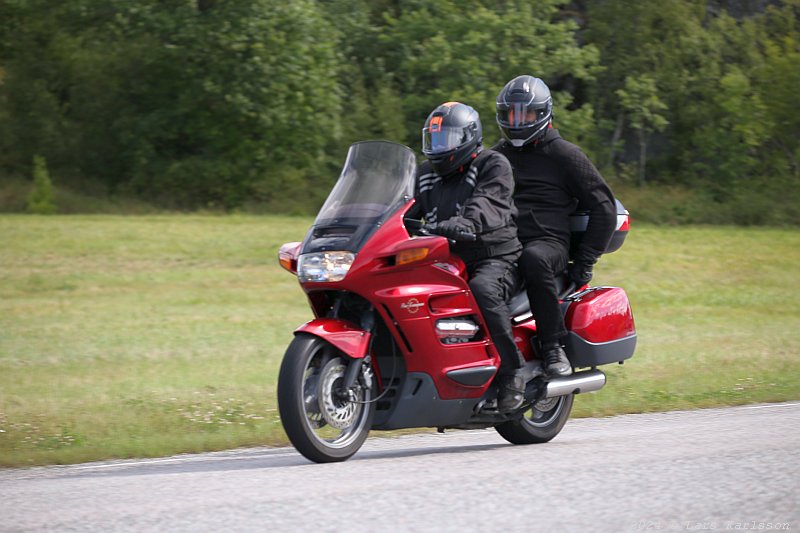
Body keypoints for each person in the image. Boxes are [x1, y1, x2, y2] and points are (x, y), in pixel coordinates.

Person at [493, 75, 617, 377]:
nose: (518, 121)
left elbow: (605, 208)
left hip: (548, 243)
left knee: (533, 259)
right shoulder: (496, 155)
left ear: (543, 113)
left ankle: (552, 346)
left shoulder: (565, 154)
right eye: (512, 114)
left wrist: (585, 262)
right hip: (503, 243)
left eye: (526, 114)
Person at [407, 101, 526, 411]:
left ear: (468, 137)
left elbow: (488, 202)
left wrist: (465, 222)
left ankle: (513, 372)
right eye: (433, 140)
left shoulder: (492, 164)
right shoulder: (424, 174)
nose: (437, 148)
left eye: (445, 140)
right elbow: (402, 210)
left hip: (494, 255)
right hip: (443, 256)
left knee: (483, 289)